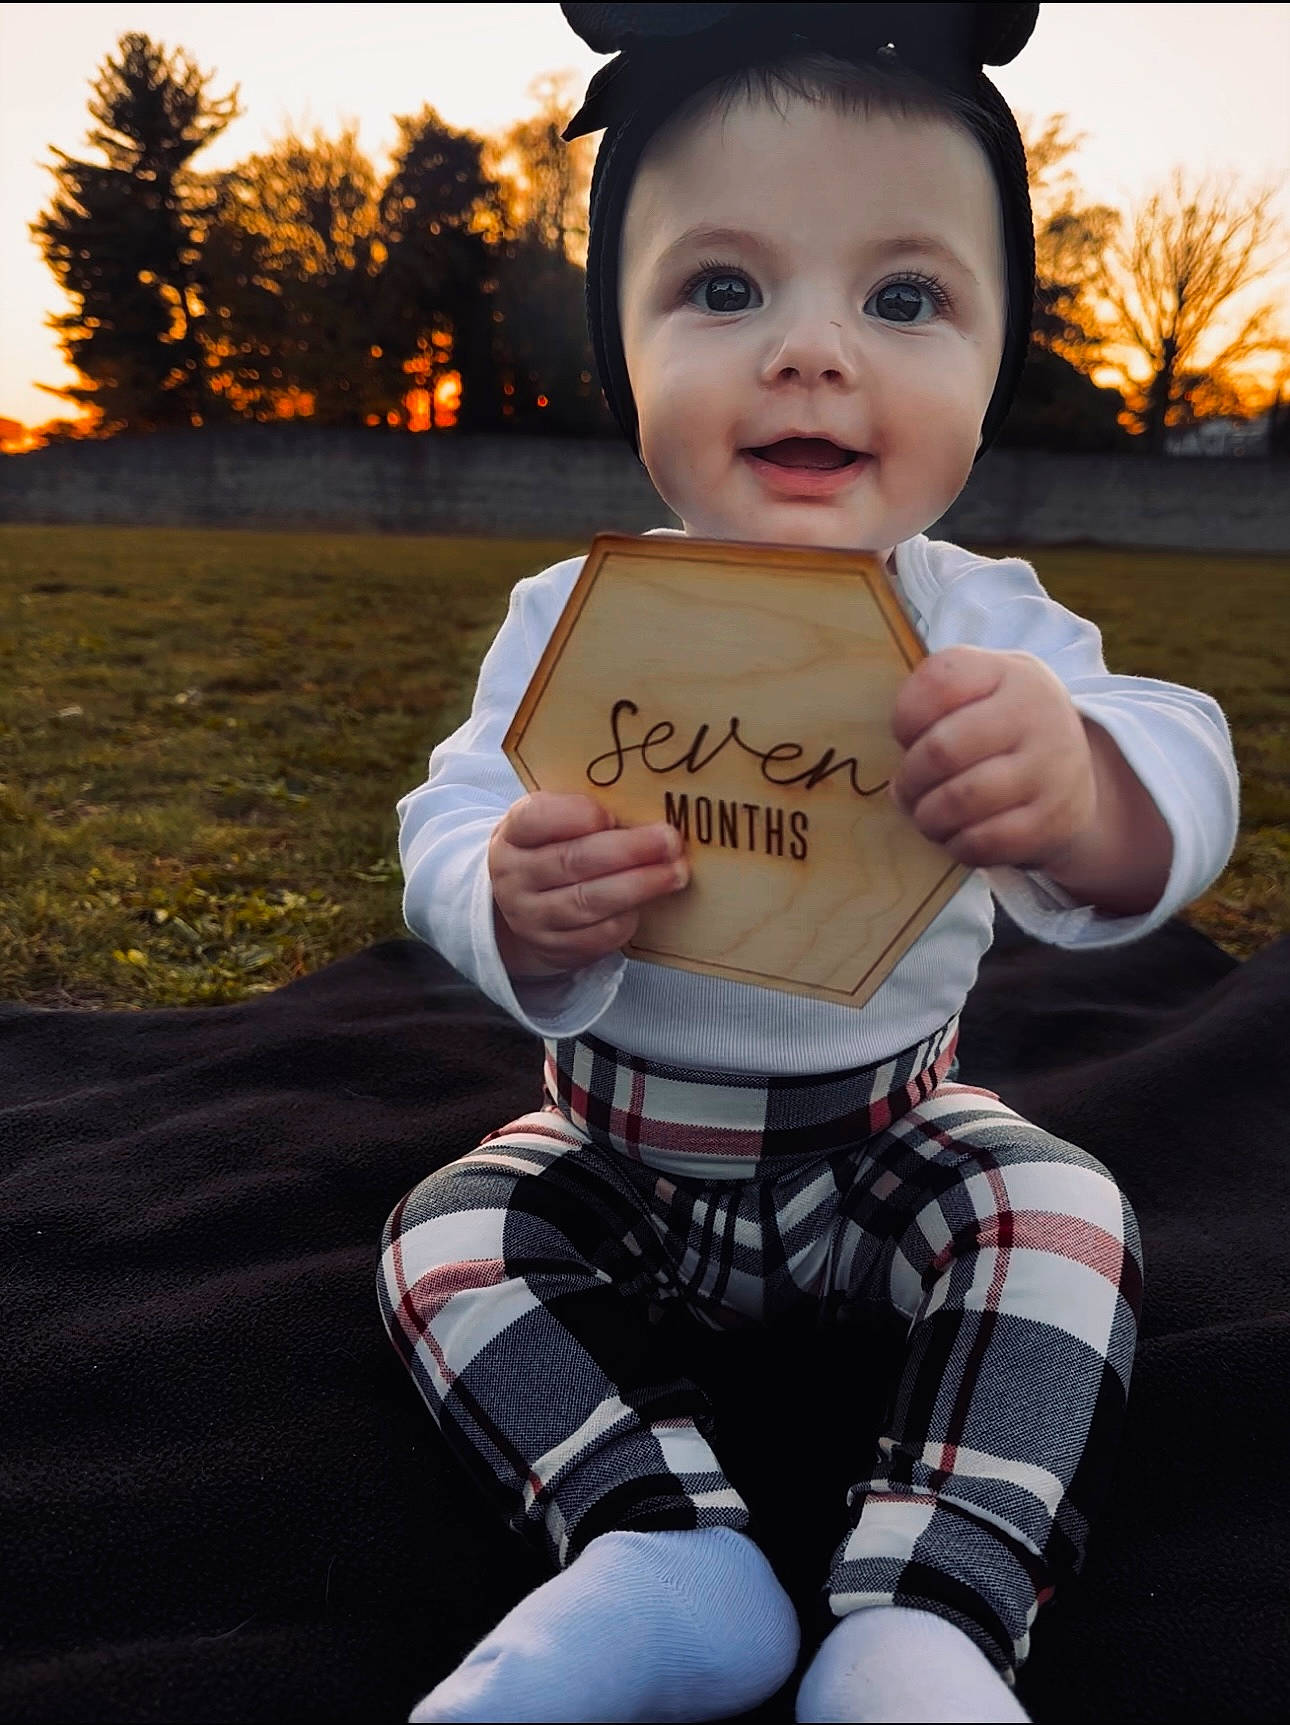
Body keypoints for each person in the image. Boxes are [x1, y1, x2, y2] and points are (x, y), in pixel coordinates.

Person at [378, 6, 1239, 1720]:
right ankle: (652, 1544)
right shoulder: (579, 620)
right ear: (621, 347)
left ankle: (927, 1610)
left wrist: (1080, 792)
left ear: (996, 357)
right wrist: (503, 897)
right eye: (720, 288)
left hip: (883, 1139)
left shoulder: (977, 617)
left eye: (902, 299)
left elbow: (1184, 757)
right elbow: (448, 811)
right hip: (613, 1145)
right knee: (442, 1237)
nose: (809, 353)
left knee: (1058, 1216)